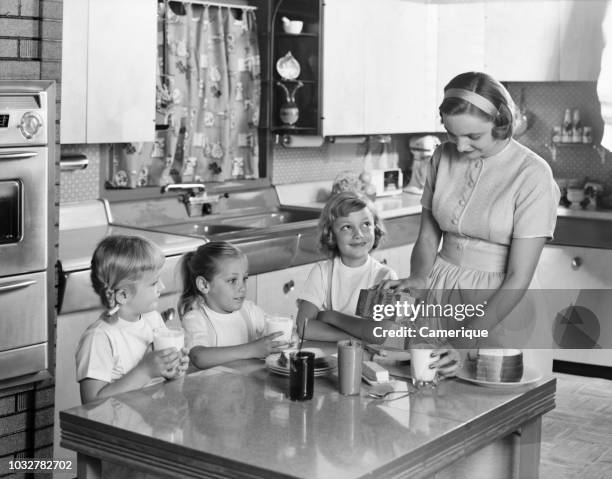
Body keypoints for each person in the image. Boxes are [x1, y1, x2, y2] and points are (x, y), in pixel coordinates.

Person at [383, 72, 560, 375]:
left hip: (500, 299)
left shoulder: (533, 174)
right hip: (441, 287)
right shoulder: (442, 156)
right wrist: (419, 277)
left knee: (494, 401)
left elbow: (519, 276)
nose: (461, 146)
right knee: (428, 391)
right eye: (453, 134)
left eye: (474, 137)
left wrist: (464, 341)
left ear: (501, 123)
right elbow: (427, 237)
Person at [76, 235, 188, 405]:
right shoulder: (100, 338)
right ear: (123, 295)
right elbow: (91, 403)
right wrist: (146, 370)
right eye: (154, 283)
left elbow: (163, 386)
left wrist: (174, 370)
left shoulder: (153, 319)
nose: (162, 287)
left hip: (152, 426)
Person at [296, 191, 399, 343]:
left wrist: (332, 317)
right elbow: (304, 327)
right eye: (346, 227)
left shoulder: (384, 278)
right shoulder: (323, 273)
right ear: (331, 234)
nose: (358, 234)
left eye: (366, 224)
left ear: (375, 228)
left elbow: (382, 334)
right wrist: (355, 338)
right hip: (329, 359)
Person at [178, 241, 284, 369]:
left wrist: (287, 337)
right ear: (204, 285)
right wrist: (251, 350)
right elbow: (198, 356)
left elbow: (273, 333)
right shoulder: (195, 319)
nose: (242, 288)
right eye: (232, 280)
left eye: (244, 279)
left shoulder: (250, 311)